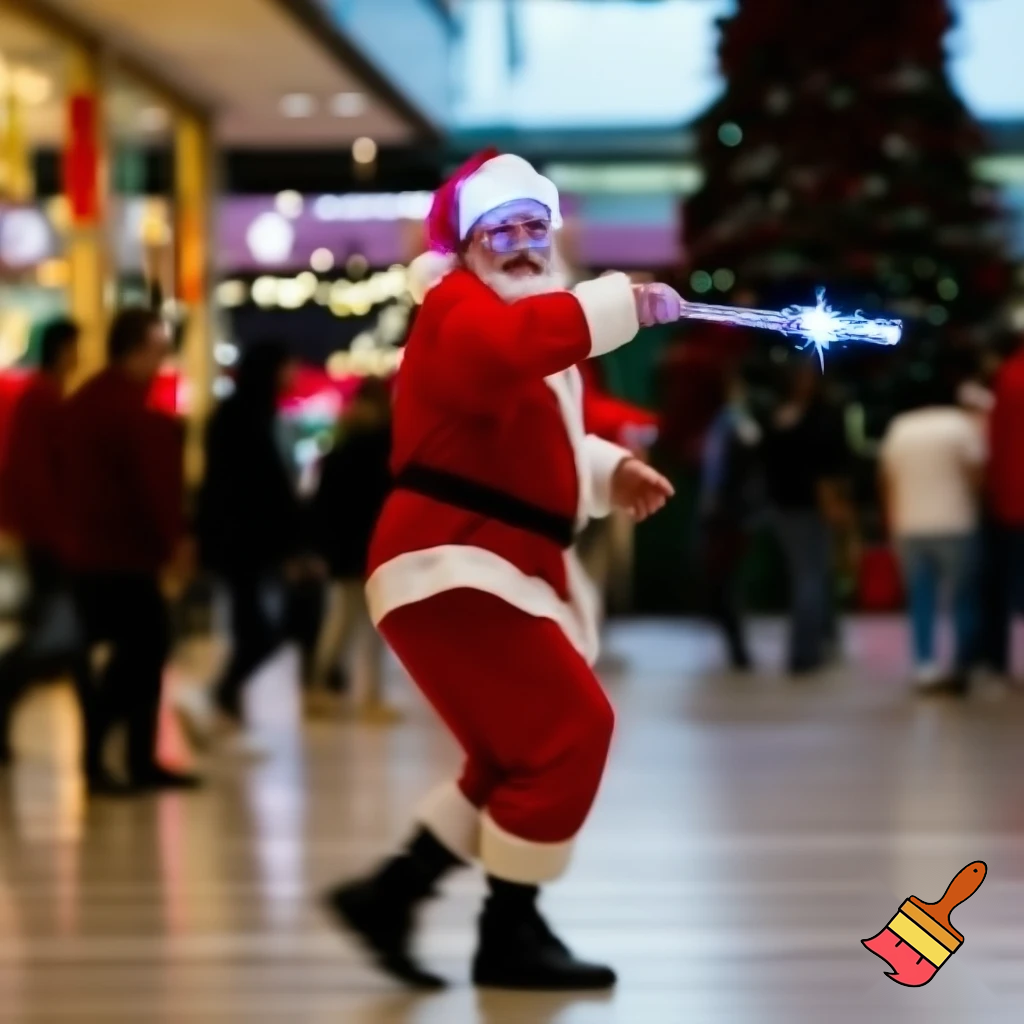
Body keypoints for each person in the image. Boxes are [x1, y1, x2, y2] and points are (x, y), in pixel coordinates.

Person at [323, 150, 679, 991]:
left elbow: (526, 436)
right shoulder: (456, 307)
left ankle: (391, 895)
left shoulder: (524, 331)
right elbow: (504, 354)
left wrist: (605, 472)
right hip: (452, 558)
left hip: (483, 558)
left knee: (512, 757)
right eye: (502, 229)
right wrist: (613, 305)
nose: (524, 244)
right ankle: (508, 931)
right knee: (572, 730)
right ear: (466, 244)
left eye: (536, 227)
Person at [62, 308, 198, 791]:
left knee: (121, 654)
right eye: (157, 349)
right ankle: (111, 757)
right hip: (122, 555)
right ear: (138, 348)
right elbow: (152, 485)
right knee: (142, 653)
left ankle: (124, 758)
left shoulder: (85, 401)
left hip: (87, 551)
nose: (162, 359)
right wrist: (175, 541)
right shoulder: (131, 410)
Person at [190, 340, 319, 752]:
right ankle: (215, 699)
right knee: (259, 632)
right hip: (243, 543)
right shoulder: (243, 419)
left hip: (250, 543)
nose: (293, 375)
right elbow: (255, 490)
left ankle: (225, 706)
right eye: (287, 366)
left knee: (258, 629)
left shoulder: (255, 415)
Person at [0, 319, 109, 787]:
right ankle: (93, 757)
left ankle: (93, 754)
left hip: (52, 539)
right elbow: (37, 478)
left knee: (61, 637)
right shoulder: (43, 400)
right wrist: (60, 536)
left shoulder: (45, 398)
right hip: (55, 542)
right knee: (63, 638)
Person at [879, 376, 985, 693]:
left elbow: (886, 480)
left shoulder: (900, 427)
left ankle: (924, 665)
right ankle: (962, 664)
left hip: (911, 525)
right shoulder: (959, 424)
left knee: (921, 598)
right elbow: (976, 473)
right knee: (963, 599)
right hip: (956, 523)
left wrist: (893, 521)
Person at [308, 376, 393, 720]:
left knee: (347, 619)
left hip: (350, 549)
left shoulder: (343, 448)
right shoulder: (383, 448)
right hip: (364, 547)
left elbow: (324, 504)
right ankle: (365, 696)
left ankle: (325, 687)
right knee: (364, 622)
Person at [762, 358, 853, 675]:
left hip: (786, 504)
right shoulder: (824, 416)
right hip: (812, 504)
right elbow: (836, 461)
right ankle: (806, 650)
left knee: (807, 576)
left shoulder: (778, 416)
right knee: (812, 577)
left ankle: (814, 643)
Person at [695, 368, 762, 671]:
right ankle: (736, 646)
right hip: (724, 512)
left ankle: (738, 648)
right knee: (721, 580)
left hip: (729, 513)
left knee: (726, 581)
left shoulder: (735, 422)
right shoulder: (728, 421)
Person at [980, 334, 1024, 679]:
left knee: (1001, 586)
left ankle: (996, 661)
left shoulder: (1008, 377)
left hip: (1010, 502)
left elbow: (996, 442)